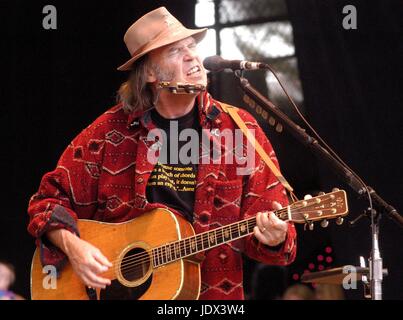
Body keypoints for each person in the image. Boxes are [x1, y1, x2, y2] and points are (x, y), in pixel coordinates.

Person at [27, 6, 297, 300]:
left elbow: (278, 247)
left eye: (191, 46)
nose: (192, 56)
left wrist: (276, 237)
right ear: (151, 73)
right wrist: (74, 248)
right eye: (174, 51)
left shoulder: (239, 130)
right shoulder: (107, 133)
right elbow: (46, 202)